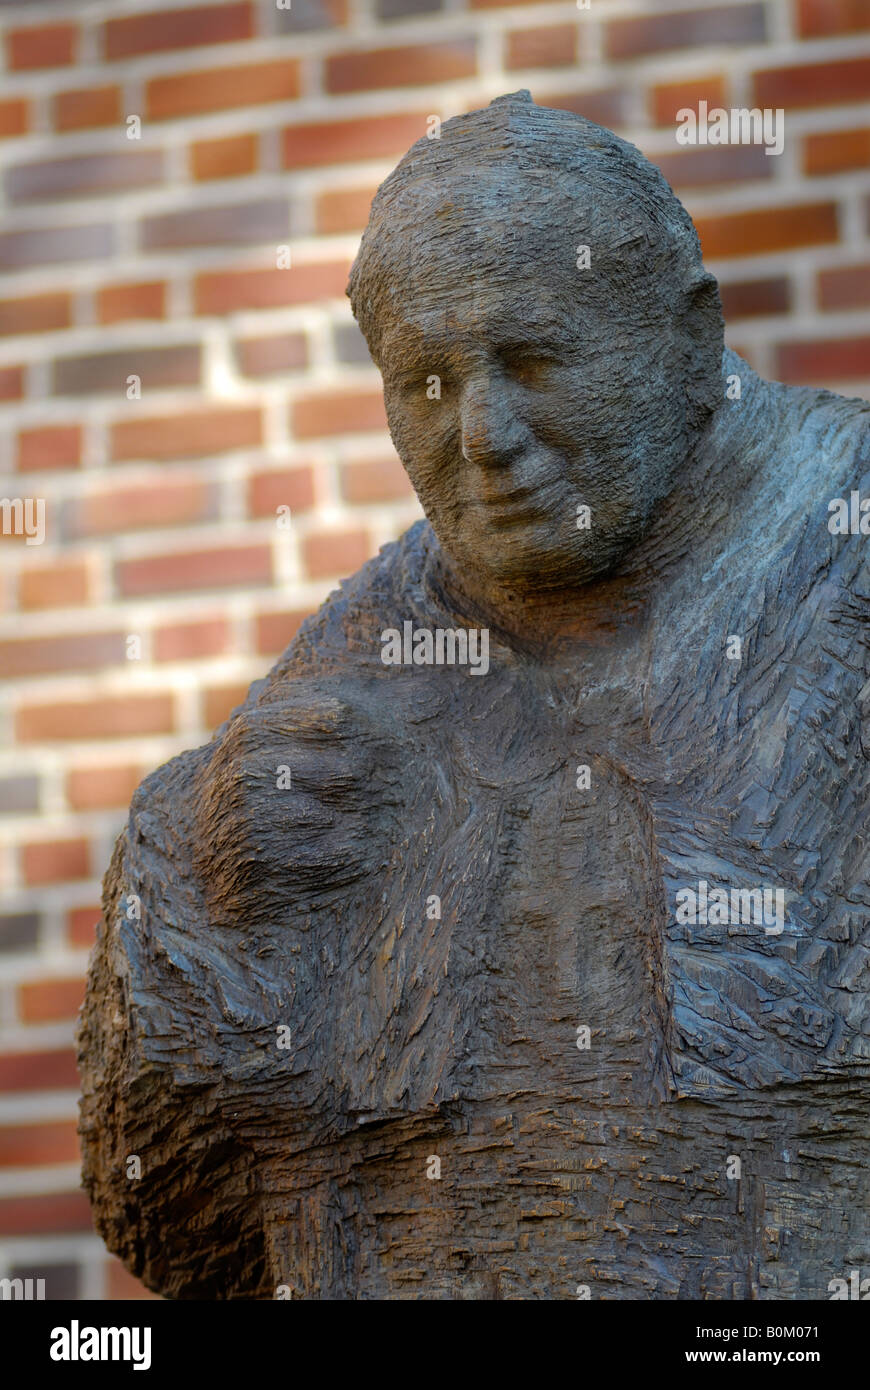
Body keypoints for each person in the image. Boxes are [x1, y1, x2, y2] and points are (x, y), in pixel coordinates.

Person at [79, 92, 870, 1300]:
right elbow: (167, 1202)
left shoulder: (843, 543)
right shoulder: (366, 657)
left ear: (688, 334)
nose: (486, 433)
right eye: (430, 383)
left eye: (535, 358)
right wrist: (215, 888)